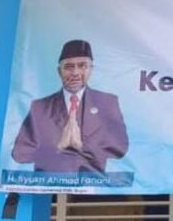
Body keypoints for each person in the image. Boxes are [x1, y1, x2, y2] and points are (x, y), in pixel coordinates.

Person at [12, 39, 129, 174]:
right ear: (59, 71)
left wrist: (82, 147)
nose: (75, 73)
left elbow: (121, 148)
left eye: (82, 66)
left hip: (92, 183)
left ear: (91, 69)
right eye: (68, 67)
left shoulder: (107, 103)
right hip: (50, 183)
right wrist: (58, 147)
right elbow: (19, 154)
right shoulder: (39, 108)